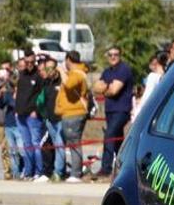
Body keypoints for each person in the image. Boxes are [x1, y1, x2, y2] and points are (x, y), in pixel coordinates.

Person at [92, 46, 134, 179]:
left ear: (120, 55)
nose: (113, 57)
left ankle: (106, 168)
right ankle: (123, 168)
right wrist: (106, 88)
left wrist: (105, 87)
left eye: (116, 54)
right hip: (110, 110)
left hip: (121, 110)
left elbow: (114, 90)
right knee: (117, 141)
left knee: (109, 136)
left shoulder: (124, 70)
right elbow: (95, 87)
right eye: (110, 55)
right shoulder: (107, 71)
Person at [56, 50, 89, 183]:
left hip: (74, 113)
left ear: (68, 60)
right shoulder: (74, 74)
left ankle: (76, 173)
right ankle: (75, 171)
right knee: (71, 143)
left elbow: (69, 85)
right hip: (68, 113)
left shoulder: (77, 74)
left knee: (74, 143)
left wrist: (61, 71)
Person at [14, 53, 47, 182]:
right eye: (26, 62)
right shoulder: (21, 75)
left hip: (32, 115)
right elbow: (17, 92)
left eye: (31, 62)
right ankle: (28, 171)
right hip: (20, 114)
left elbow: (41, 96)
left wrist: (36, 111)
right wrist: (17, 111)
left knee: (35, 143)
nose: (29, 65)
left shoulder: (38, 77)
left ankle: (38, 172)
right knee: (26, 145)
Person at [39, 58, 65, 182]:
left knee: (60, 145)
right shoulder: (46, 82)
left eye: (51, 68)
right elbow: (42, 100)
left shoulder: (62, 81)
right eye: (46, 69)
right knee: (54, 145)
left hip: (61, 119)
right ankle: (58, 170)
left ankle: (58, 172)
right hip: (50, 120)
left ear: (56, 68)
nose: (48, 71)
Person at [133, 51, 168, 121]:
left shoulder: (153, 76)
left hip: (147, 112)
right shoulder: (166, 76)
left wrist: (138, 110)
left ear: (156, 61)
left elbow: (147, 95)